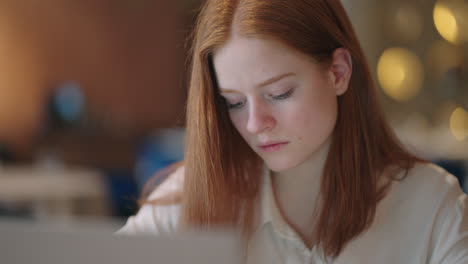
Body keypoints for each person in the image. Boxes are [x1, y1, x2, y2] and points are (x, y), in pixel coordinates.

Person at [118, 0, 468, 263]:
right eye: (234, 102)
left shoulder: (432, 206)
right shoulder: (193, 197)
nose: (255, 124)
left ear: (339, 72)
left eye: (279, 93)